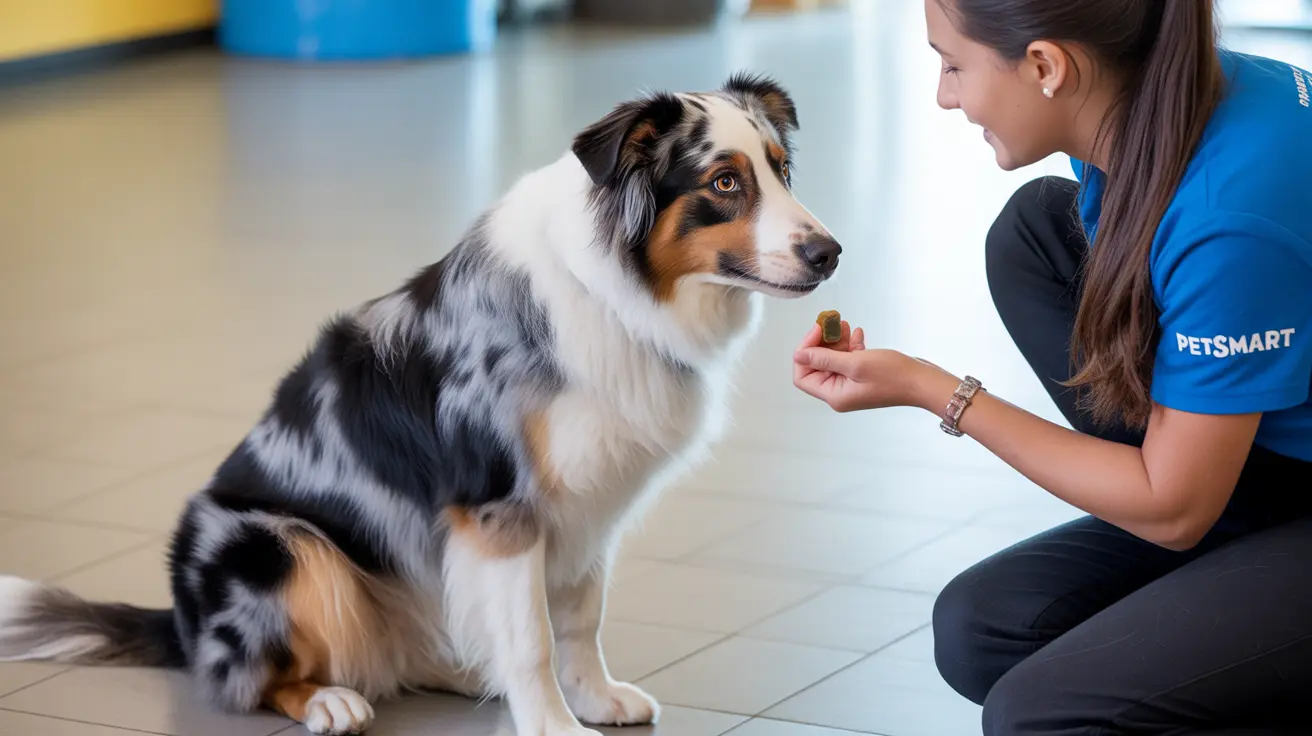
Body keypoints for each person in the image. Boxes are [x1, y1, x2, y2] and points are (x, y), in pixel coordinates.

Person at [791, 0, 1312, 733]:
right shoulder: (1154, 95)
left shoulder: (1229, 219)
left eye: (953, 66)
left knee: (1040, 713)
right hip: (1262, 462)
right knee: (984, 627)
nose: (945, 95)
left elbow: (1174, 509)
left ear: (1045, 67)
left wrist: (929, 388)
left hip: (1249, 487)